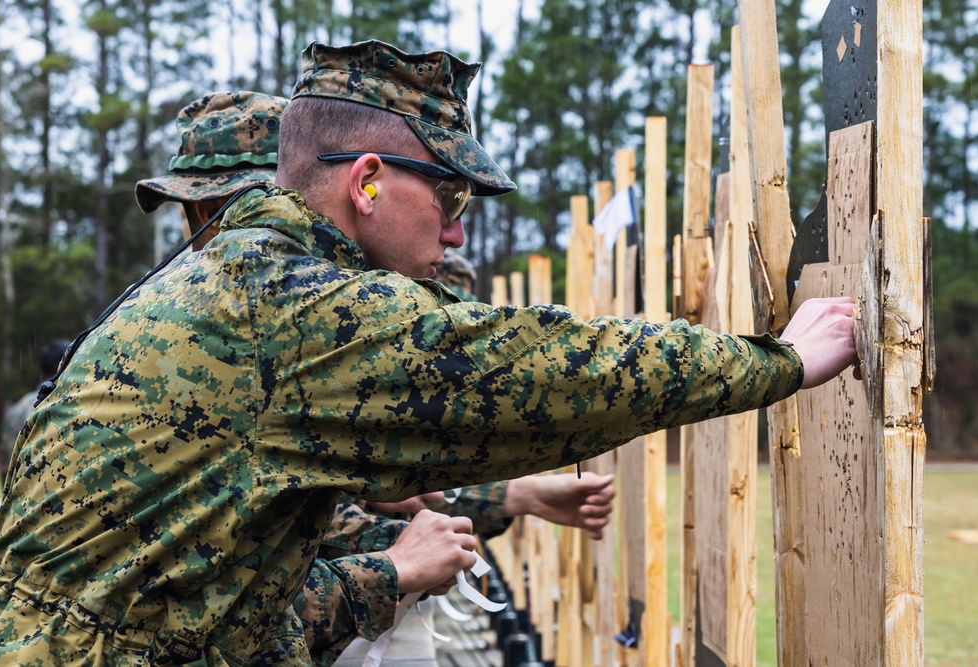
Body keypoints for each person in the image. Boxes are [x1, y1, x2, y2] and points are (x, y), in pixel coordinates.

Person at [0, 40, 858, 666]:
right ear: (365, 183)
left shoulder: (254, 277)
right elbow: (533, 372)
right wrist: (777, 361)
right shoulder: (296, 303)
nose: (456, 225)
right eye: (445, 195)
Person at [133, 91, 616, 666]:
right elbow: (215, 621)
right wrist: (391, 569)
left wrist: (505, 499)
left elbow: (327, 521)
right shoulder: (198, 352)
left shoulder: (241, 331)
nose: (223, 233)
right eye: (206, 214)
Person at [0, 339, 69, 489]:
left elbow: (5, 465)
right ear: (67, 364)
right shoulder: (67, 404)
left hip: (21, 501)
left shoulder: (18, 408)